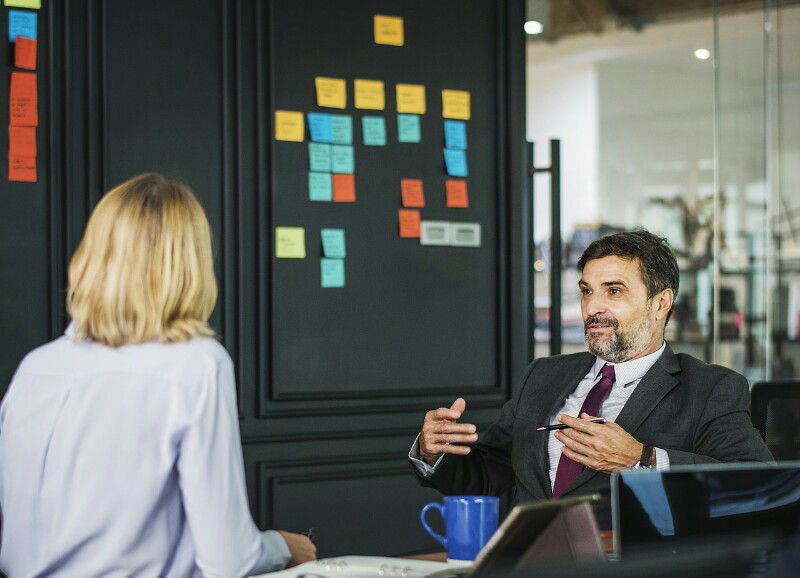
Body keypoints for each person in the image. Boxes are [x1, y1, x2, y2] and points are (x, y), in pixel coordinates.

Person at [0, 174, 316, 576]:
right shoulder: (196, 364)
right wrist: (282, 546)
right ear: (191, 263)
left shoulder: (37, 366)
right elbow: (228, 561)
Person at [409, 229, 772, 529]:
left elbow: (757, 485)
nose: (592, 307)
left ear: (660, 303)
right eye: (586, 291)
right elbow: (495, 472)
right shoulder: (544, 374)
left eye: (613, 291)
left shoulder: (711, 388)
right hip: (529, 564)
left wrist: (641, 459)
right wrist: (434, 451)